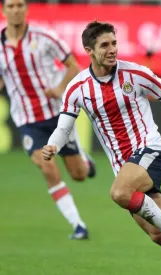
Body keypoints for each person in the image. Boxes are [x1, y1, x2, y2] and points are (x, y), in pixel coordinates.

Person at [42, 21, 161, 275]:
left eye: (114, 43)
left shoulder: (135, 74)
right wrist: (53, 146)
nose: (112, 49)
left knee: (119, 193)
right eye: (105, 45)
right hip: (125, 168)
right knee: (159, 234)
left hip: (150, 153)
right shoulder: (78, 88)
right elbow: (64, 126)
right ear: (89, 51)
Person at [0, 0, 96, 239]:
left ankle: (84, 160)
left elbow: (73, 65)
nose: (16, 10)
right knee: (48, 167)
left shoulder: (44, 37)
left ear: (26, 8)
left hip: (57, 114)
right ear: (3, 10)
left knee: (79, 175)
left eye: (20, 5)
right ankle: (78, 226)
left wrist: (60, 87)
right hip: (27, 120)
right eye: (11, 6)